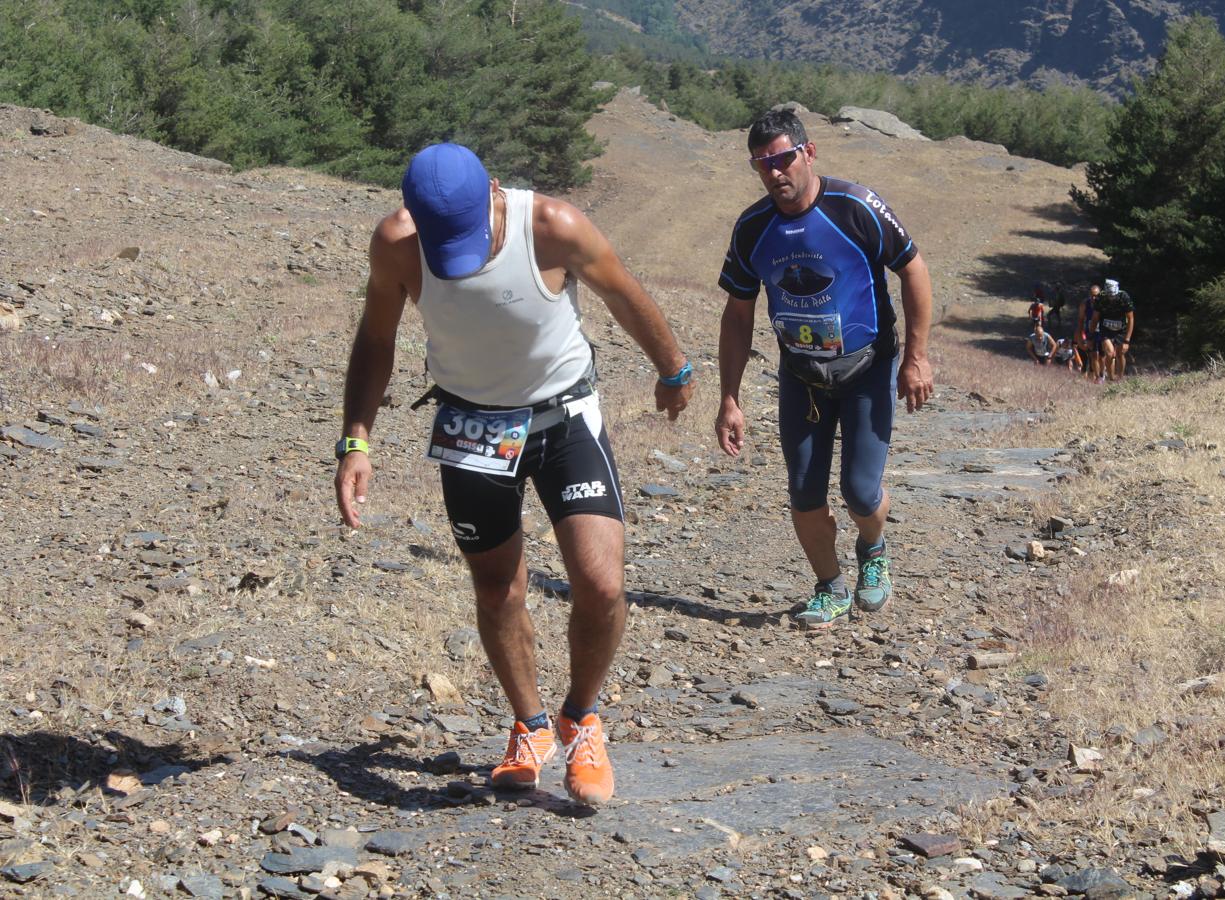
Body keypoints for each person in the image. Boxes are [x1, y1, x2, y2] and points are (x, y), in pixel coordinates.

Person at [334, 143, 693, 806]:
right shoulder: (396, 244)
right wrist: (356, 440)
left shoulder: (553, 227)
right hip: (473, 428)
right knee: (497, 590)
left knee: (601, 583)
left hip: (563, 417)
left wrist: (673, 369)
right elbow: (376, 337)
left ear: (495, 191)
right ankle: (529, 726)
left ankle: (581, 717)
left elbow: (622, 291)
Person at [714, 109, 933, 630]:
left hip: (867, 369)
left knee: (860, 490)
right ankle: (829, 585)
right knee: (805, 491)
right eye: (762, 164)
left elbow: (914, 269)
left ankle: (873, 550)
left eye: (783, 159)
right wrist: (729, 397)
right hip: (802, 379)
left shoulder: (855, 206)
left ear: (808, 154)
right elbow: (738, 313)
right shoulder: (752, 228)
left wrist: (917, 357)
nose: (774, 173)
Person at [1089, 278, 1134, 382]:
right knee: (1109, 353)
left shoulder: (1124, 297)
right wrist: (1090, 336)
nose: (1111, 298)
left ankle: (1120, 378)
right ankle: (1111, 378)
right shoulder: (1101, 298)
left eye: (1113, 296)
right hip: (1105, 329)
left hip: (1121, 329)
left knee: (1120, 353)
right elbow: (1095, 318)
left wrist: (1127, 340)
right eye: (1109, 296)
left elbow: (1131, 318)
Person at [1076, 283, 1102, 382]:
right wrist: (1080, 337)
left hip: (1103, 332)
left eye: (1096, 295)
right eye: (1092, 295)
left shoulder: (1104, 304)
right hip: (1090, 332)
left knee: (1104, 355)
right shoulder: (1084, 304)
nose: (1094, 297)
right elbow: (1080, 321)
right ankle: (1097, 377)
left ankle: (1103, 375)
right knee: (1093, 354)